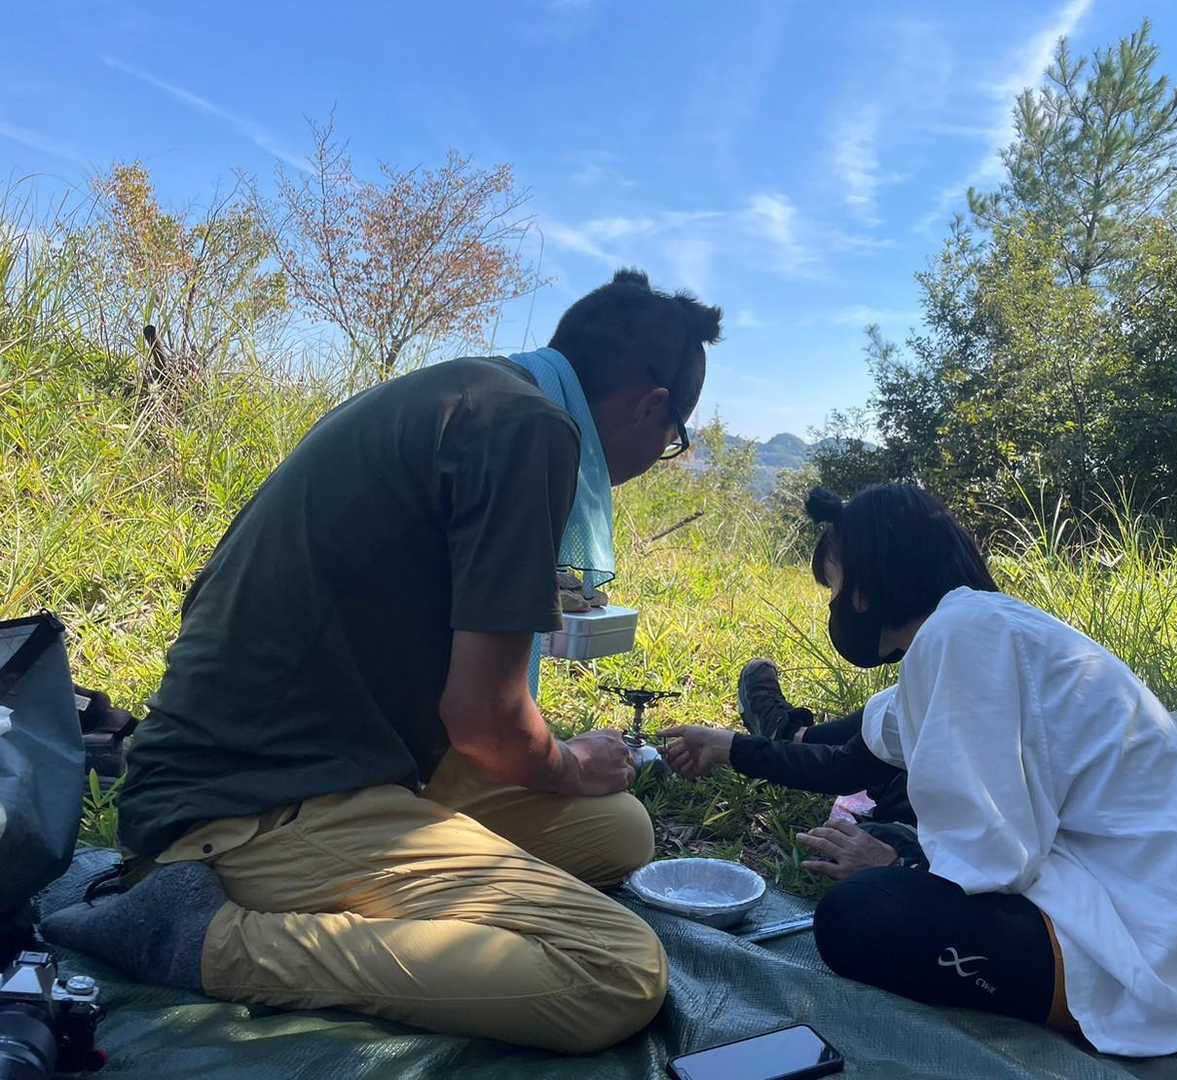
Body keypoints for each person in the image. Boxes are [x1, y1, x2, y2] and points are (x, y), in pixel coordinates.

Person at [43, 269, 723, 1054]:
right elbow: (485, 721)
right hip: (248, 802)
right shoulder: (532, 430)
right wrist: (566, 761)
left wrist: (561, 769)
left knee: (619, 831)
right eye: (674, 440)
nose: (660, 455)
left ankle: (371, 879)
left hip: (341, 756)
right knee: (615, 971)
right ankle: (196, 934)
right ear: (650, 407)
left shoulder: (471, 395)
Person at [662, 485, 1177, 1058]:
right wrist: (729, 747)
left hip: (1144, 951)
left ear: (865, 586)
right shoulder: (976, 629)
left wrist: (897, 866)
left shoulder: (962, 636)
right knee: (883, 854)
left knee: (859, 916)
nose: (836, 605)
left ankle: (1080, 992)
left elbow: (996, 855)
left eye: (835, 587)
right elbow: (847, 764)